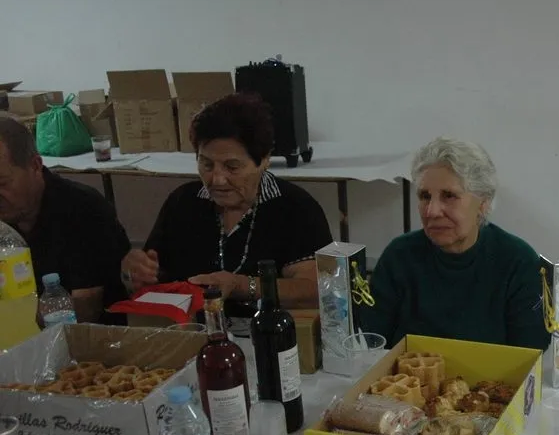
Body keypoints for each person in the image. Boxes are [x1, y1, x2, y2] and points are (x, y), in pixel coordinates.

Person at [120, 93, 332, 317]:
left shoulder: (294, 208)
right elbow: (154, 278)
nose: (217, 180)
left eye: (232, 167)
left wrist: (242, 286)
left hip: (266, 332)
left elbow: (314, 290)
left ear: (264, 160)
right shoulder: (183, 202)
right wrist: (134, 274)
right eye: (207, 164)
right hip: (191, 329)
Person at [360, 136, 550, 350]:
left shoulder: (518, 263)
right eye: (425, 196)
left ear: (483, 203)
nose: (432, 211)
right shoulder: (399, 257)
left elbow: (530, 353)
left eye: (449, 196)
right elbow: (370, 344)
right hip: (407, 372)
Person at [0, 114, 131, 323]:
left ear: (35, 165)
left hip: (86, 335)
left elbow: (85, 310)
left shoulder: (82, 209)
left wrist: (18, 315)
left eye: (2, 183)